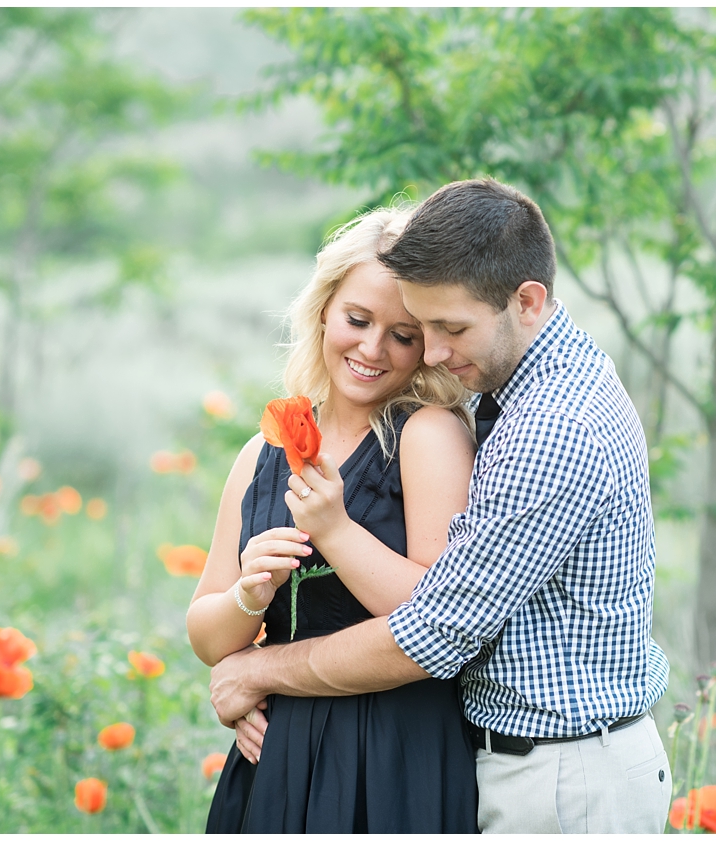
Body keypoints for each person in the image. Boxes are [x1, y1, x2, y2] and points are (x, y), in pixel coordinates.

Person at [209, 178, 675, 833]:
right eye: (422, 327)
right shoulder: (523, 387)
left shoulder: (551, 427)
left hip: (564, 781)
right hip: (531, 767)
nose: (430, 353)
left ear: (528, 301)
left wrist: (256, 668)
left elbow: (430, 635)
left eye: (449, 327)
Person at [187, 205, 482, 832]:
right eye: (357, 319)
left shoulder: (427, 437)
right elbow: (207, 637)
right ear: (323, 310)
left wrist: (335, 530)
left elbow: (437, 619)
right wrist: (248, 595)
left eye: (402, 335)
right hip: (277, 753)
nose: (372, 348)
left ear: (426, 344)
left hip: (394, 753)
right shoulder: (263, 450)